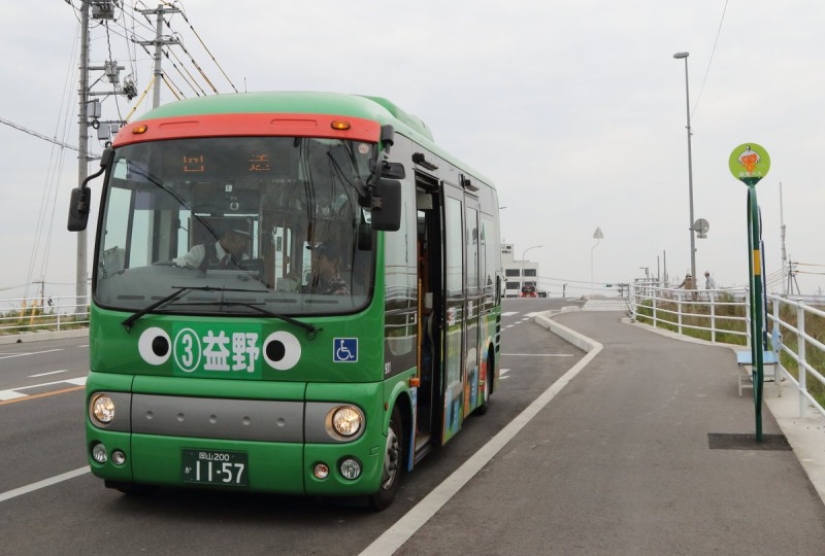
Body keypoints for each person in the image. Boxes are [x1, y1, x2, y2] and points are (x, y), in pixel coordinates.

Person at [175, 226, 251, 271]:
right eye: (241, 240)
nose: (243, 245)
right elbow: (183, 274)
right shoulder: (199, 252)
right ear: (228, 236)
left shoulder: (243, 259)